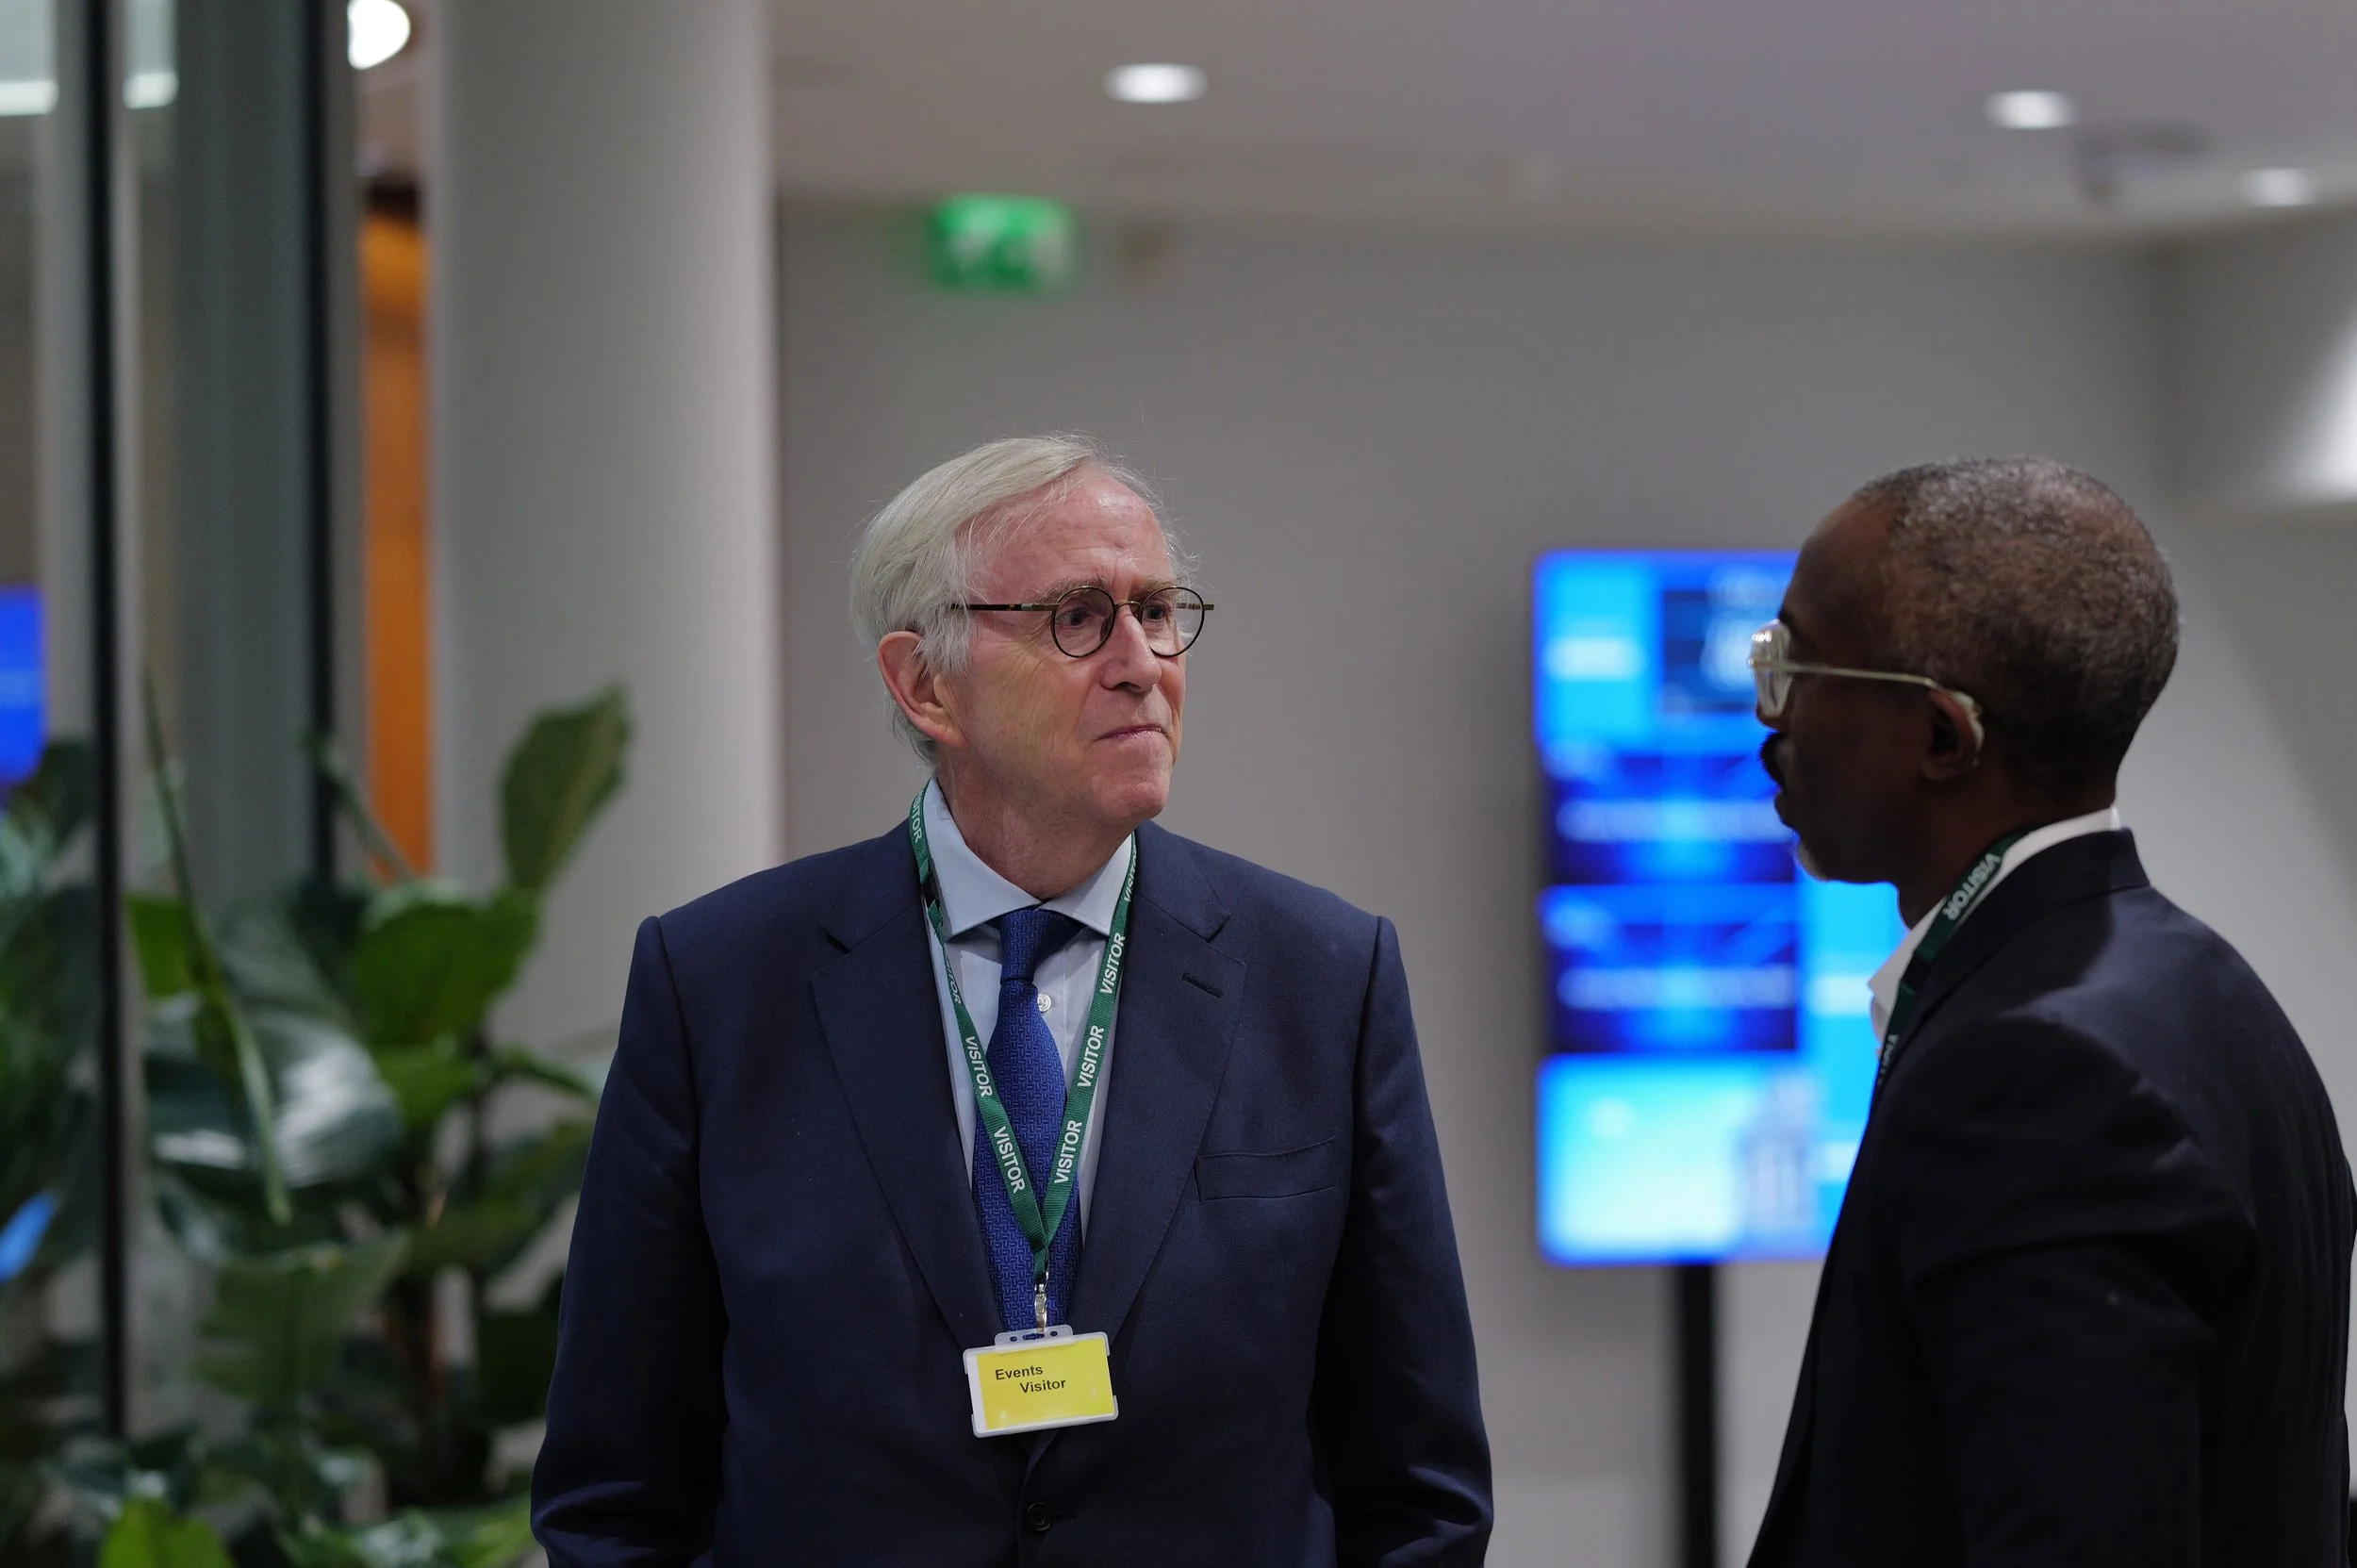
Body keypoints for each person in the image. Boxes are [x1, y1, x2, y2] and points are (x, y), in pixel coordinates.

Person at [532, 436, 1492, 1565]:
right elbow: (616, 1493)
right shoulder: (720, 985)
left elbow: (1419, 1487)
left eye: (1159, 610)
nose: (1142, 661)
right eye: (1079, 617)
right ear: (923, 682)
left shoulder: (1323, 977)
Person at [1744, 456, 2354, 1567]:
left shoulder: (2034, 1073)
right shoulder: (2209, 994)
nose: (1765, 707)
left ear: (1942, 738)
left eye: (1797, 661)